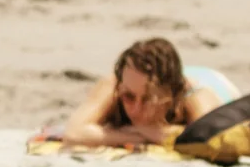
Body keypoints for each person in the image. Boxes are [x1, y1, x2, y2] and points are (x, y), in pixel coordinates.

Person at [60, 37, 237, 148]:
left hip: (215, 82)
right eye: (129, 97)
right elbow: (74, 132)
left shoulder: (196, 96)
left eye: (148, 100)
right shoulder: (117, 86)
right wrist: (132, 134)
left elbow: (211, 141)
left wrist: (147, 131)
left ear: (170, 95)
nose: (136, 109)